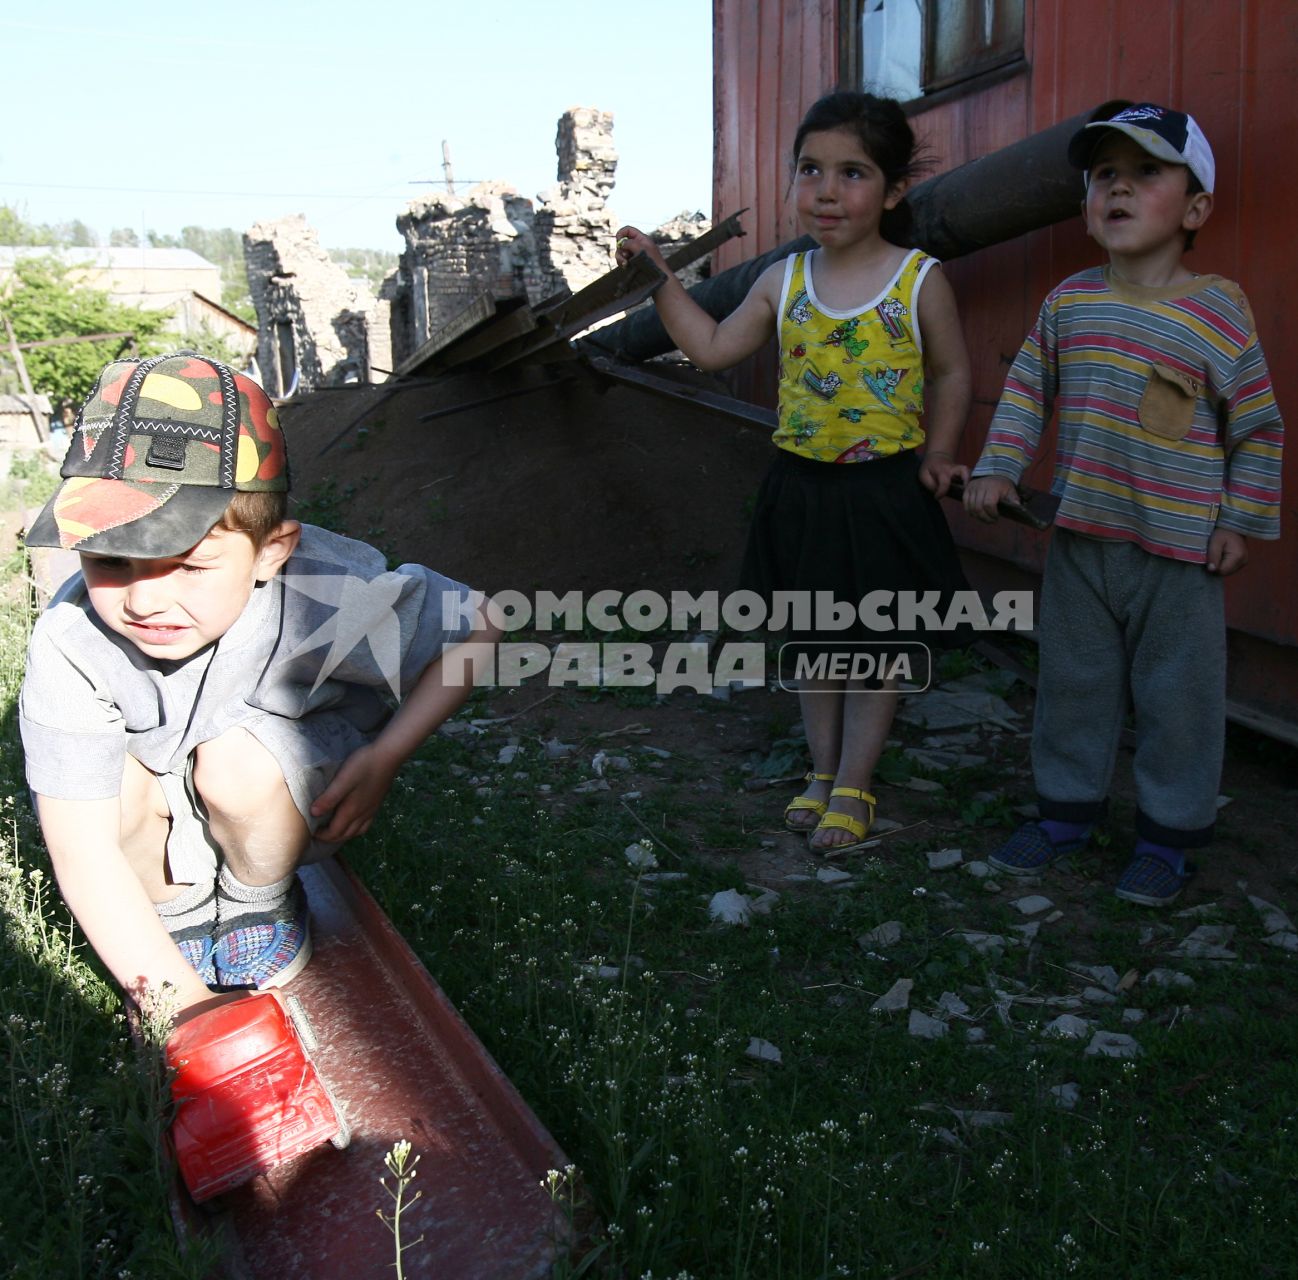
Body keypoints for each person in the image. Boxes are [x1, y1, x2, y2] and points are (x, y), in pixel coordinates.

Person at [20, 351, 499, 1021]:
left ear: (272, 550)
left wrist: (385, 756)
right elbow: (80, 842)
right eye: (110, 561)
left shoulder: (321, 590)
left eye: (187, 566)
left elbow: (481, 623)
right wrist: (183, 1012)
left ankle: (257, 903)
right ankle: (178, 918)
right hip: (155, 803)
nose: (145, 600)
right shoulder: (71, 640)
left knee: (235, 761)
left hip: (260, 786)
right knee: (115, 786)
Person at [616, 90, 973, 854]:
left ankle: (856, 782)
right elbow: (711, 347)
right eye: (810, 169)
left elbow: (951, 373)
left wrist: (940, 453)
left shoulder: (918, 280)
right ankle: (819, 769)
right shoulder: (784, 281)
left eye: (853, 173)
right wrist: (657, 280)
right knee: (812, 640)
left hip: (883, 493)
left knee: (878, 646)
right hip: (802, 490)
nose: (827, 190)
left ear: (894, 190)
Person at [963, 102, 1284, 906]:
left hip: (1179, 554)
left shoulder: (1218, 313)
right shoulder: (1070, 303)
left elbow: (1259, 428)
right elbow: (1027, 393)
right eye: (1104, 174)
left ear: (1196, 208)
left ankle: (1169, 837)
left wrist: (1240, 521)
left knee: (1180, 702)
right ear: (1084, 203)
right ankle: (1066, 813)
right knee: (1073, 684)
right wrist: (998, 465)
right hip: (1082, 539)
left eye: (1147, 173)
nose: (1120, 189)